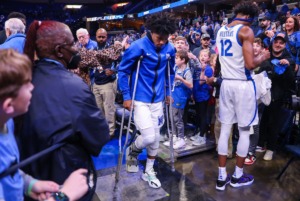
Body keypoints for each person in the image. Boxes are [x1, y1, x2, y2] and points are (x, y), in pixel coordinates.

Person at [19, 20, 110, 201]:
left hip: (29, 181)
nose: (76, 49)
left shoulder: (22, 78)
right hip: (64, 178)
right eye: (72, 44)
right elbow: (98, 137)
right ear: (60, 50)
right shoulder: (73, 86)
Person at [0, 49, 88, 201]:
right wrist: (63, 196)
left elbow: (6, 169)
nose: (32, 87)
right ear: (9, 105)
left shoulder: (6, 123)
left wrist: (28, 184)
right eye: (27, 84)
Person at [215, 1, 270, 191]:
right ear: (249, 16)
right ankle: (237, 176)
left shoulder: (221, 30)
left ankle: (221, 177)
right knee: (245, 131)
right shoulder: (245, 31)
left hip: (226, 84)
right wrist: (263, 57)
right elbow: (249, 64)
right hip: (242, 85)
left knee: (225, 130)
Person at [118, 13, 177, 189]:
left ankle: (149, 171)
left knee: (156, 137)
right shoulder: (137, 47)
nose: (162, 42)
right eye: (159, 38)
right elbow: (123, 72)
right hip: (140, 99)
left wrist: (167, 91)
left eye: (165, 39)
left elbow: (171, 71)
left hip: (158, 100)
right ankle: (132, 151)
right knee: (149, 136)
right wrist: (127, 96)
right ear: (151, 32)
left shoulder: (170, 49)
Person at [257, 33, 295, 161]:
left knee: (274, 124)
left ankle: (271, 149)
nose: (278, 45)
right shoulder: (267, 57)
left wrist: (287, 67)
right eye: (276, 42)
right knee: (263, 121)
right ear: (272, 43)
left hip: (278, 97)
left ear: (284, 45)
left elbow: (290, 82)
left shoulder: (288, 59)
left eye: (281, 43)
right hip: (264, 96)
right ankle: (261, 144)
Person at [93, 28, 118, 138]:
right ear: (96, 37)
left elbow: (123, 63)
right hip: (96, 83)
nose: (101, 39)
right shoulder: (94, 49)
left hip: (108, 83)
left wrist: (114, 70)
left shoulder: (112, 50)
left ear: (106, 37)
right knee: (99, 110)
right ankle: (102, 130)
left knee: (109, 109)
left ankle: (110, 132)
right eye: (99, 37)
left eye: (103, 37)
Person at [166, 50, 193, 149]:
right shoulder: (175, 67)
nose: (175, 59)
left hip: (180, 98)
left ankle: (181, 138)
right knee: (171, 117)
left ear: (183, 60)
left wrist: (180, 79)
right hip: (173, 96)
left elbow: (190, 85)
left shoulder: (187, 71)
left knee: (178, 119)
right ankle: (174, 137)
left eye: (177, 58)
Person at [190, 49, 213, 146]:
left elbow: (201, 81)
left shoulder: (208, 69)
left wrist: (203, 71)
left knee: (203, 116)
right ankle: (199, 133)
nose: (203, 57)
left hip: (203, 96)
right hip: (197, 95)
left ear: (209, 58)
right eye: (201, 55)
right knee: (198, 115)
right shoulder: (197, 68)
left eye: (205, 56)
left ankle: (202, 136)